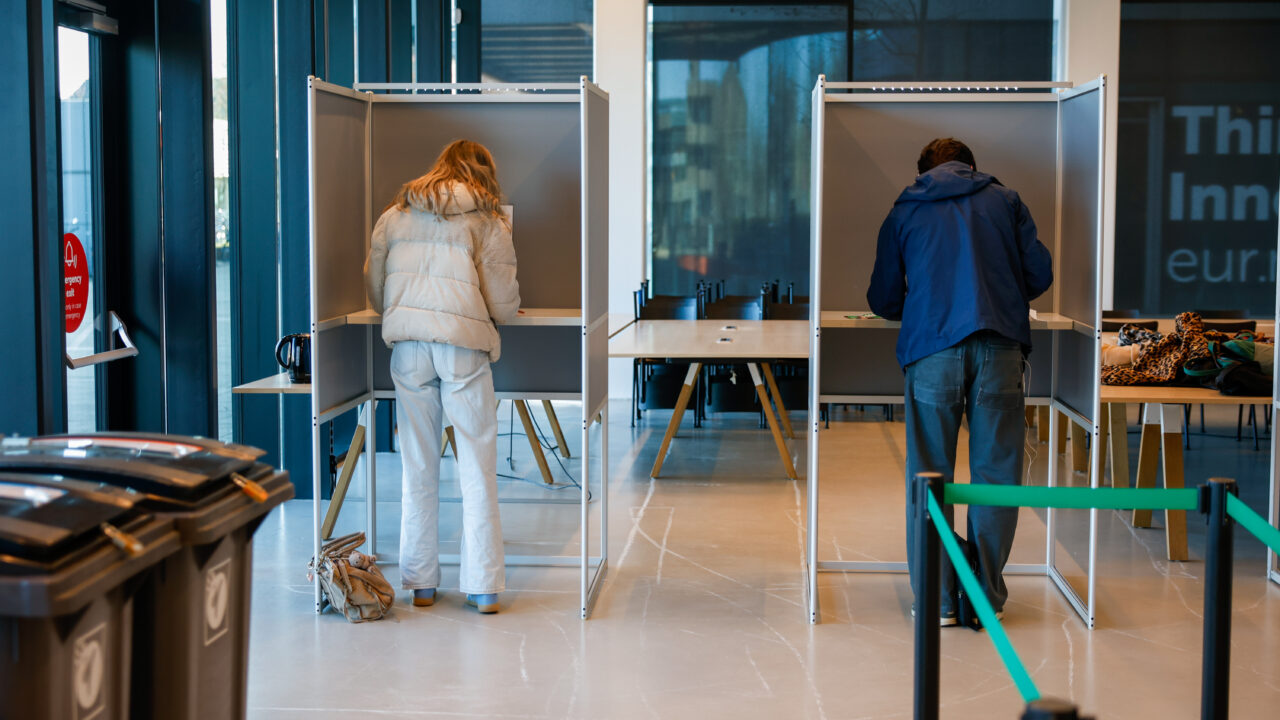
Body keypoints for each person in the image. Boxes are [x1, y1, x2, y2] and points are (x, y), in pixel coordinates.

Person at [867, 137, 1052, 625]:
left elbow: (883, 298)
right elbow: (1039, 275)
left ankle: (939, 601)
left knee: (929, 477)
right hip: (1000, 349)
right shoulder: (1006, 201)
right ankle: (983, 599)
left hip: (932, 351)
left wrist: (924, 300)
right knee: (996, 476)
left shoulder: (906, 207)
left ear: (922, 171)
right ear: (972, 168)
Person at [364, 139, 520, 614]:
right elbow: (503, 305)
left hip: (409, 348)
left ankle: (421, 584)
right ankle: (484, 587)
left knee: (417, 466)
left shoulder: (395, 215)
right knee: (476, 465)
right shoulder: (487, 220)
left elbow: (376, 291)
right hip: (462, 347)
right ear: (484, 172)